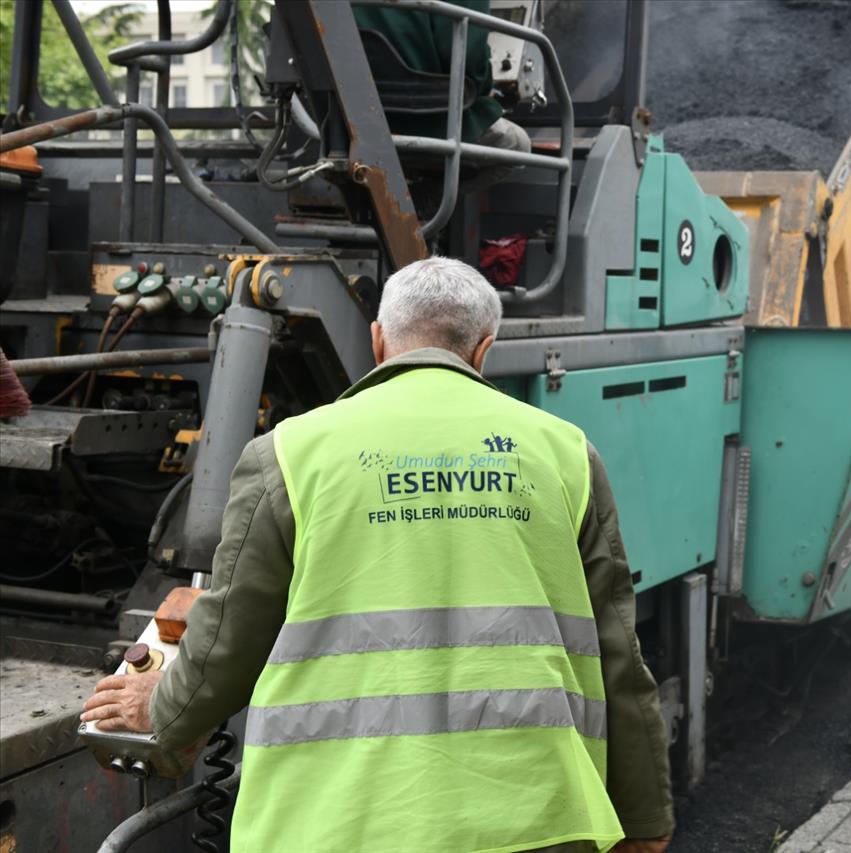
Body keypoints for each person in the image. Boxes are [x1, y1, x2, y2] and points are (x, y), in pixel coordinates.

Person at [82, 258, 674, 853]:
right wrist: (645, 820)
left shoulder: (288, 455)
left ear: (378, 340)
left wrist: (158, 709)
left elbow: (227, 640)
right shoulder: (566, 454)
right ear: (484, 350)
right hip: (535, 822)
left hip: (335, 828)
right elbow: (618, 655)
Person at [354, 0, 531, 194]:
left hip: (354, 124)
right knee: (517, 145)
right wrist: (484, 85)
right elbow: (470, 65)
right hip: (431, 124)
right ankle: (424, 200)